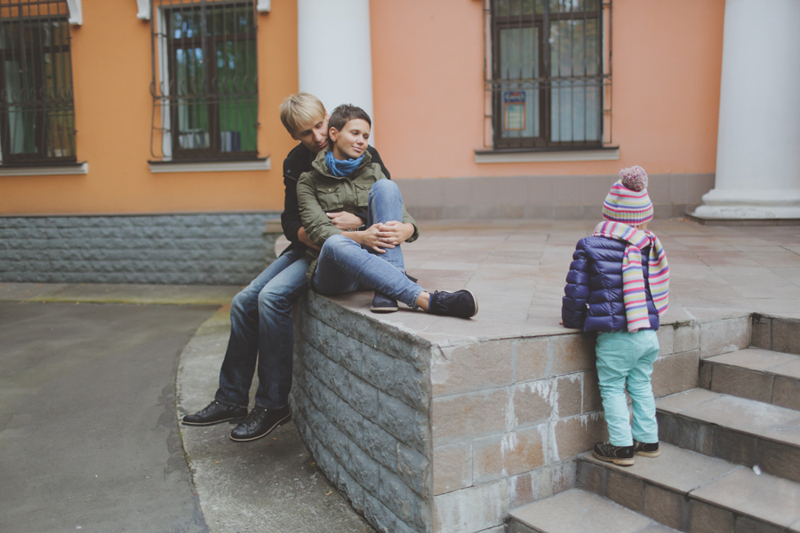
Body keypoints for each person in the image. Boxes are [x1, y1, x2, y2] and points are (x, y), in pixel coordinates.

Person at [181, 93, 391, 442]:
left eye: (319, 126)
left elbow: (386, 203)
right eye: (306, 133)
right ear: (294, 135)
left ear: (329, 120)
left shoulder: (359, 150)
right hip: (307, 245)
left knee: (271, 298)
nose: (317, 137)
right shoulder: (296, 163)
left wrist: (357, 220)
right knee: (243, 301)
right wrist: (309, 234)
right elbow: (290, 218)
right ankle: (231, 399)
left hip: (339, 251)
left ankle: (273, 404)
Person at [297, 104, 478, 318]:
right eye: (355, 133)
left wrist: (408, 229)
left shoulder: (374, 171)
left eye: (365, 136)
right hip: (335, 275)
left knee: (387, 186)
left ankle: (386, 292)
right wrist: (361, 237)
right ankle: (428, 301)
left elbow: (400, 212)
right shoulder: (308, 181)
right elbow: (319, 231)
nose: (361, 141)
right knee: (334, 243)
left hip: (374, 265)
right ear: (334, 134)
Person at [561, 166, 669, 466]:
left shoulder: (591, 245)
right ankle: (648, 441)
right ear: (643, 218)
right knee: (641, 385)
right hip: (648, 333)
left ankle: (621, 447)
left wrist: (573, 322)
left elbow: (576, 291)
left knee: (612, 387)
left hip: (617, 337)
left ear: (609, 213)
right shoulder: (650, 246)